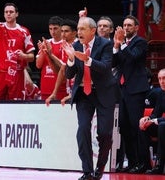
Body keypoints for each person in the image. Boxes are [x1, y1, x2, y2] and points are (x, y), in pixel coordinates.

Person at [63, 16, 117, 180]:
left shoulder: (105, 44)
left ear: (93, 31)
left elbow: (106, 68)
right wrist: (71, 59)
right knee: (83, 129)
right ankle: (87, 171)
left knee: (105, 134)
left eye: (82, 29)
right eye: (78, 29)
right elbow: (69, 74)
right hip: (83, 94)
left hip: (103, 93)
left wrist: (87, 59)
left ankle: (99, 168)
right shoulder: (76, 45)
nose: (78, 32)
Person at [113, 15, 150, 173]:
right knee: (124, 126)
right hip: (122, 90)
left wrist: (121, 44)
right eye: (124, 25)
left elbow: (133, 57)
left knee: (137, 126)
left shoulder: (140, 42)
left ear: (136, 27)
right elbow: (115, 63)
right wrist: (115, 46)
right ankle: (133, 162)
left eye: (129, 25)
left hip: (136, 90)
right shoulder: (123, 44)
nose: (126, 28)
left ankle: (144, 163)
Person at [44, 18, 78, 106]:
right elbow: (63, 69)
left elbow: (83, 72)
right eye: (62, 31)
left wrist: (74, 93)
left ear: (74, 33)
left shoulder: (79, 46)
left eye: (66, 31)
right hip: (69, 88)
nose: (63, 34)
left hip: (80, 90)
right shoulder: (65, 45)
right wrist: (54, 93)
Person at [139, 68, 165, 174]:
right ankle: (146, 164)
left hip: (163, 125)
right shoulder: (160, 93)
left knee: (162, 126)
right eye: (159, 79)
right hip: (162, 123)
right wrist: (147, 119)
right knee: (144, 126)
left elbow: (158, 118)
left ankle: (159, 165)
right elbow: (156, 113)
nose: (162, 81)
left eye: (164, 78)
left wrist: (155, 120)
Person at [36, 16, 67, 100]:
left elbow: (64, 67)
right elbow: (38, 65)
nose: (53, 31)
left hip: (61, 88)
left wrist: (50, 54)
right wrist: (43, 51)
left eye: (55, 28)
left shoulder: (66, 44)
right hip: (45, 87)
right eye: (50, 29)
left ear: (61, 28)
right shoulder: (46, 43)